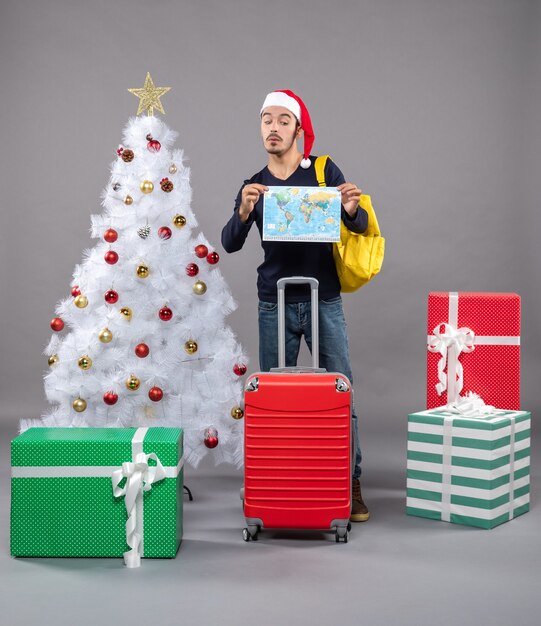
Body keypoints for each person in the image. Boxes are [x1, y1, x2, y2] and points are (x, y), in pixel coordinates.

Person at [221, 89, 370, 522]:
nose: (273, 127)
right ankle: (276, 479)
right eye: (266, 119)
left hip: (323, 298)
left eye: (283, 120)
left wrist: (351, 209)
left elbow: (356, 223)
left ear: (299, 129)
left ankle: (350, 482)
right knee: (273, 397)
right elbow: (230, 243)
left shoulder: (323, 171)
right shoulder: (255, 184)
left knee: (342, 392)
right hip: (275, 301)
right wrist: (245, 210)